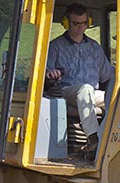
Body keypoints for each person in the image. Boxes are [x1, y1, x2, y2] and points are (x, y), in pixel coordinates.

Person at [46, 2, 114, 159]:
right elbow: (45, 73)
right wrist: (51, 74)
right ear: (66, 23)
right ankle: (93, 139)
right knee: (85, 89)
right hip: (66, 92)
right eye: (76, 23)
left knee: (117, 99)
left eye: (84, 23)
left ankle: (110, 141)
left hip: (91, 93)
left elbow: (108, 75)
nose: (80, 27)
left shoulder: (94, 48)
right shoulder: (55, 47)